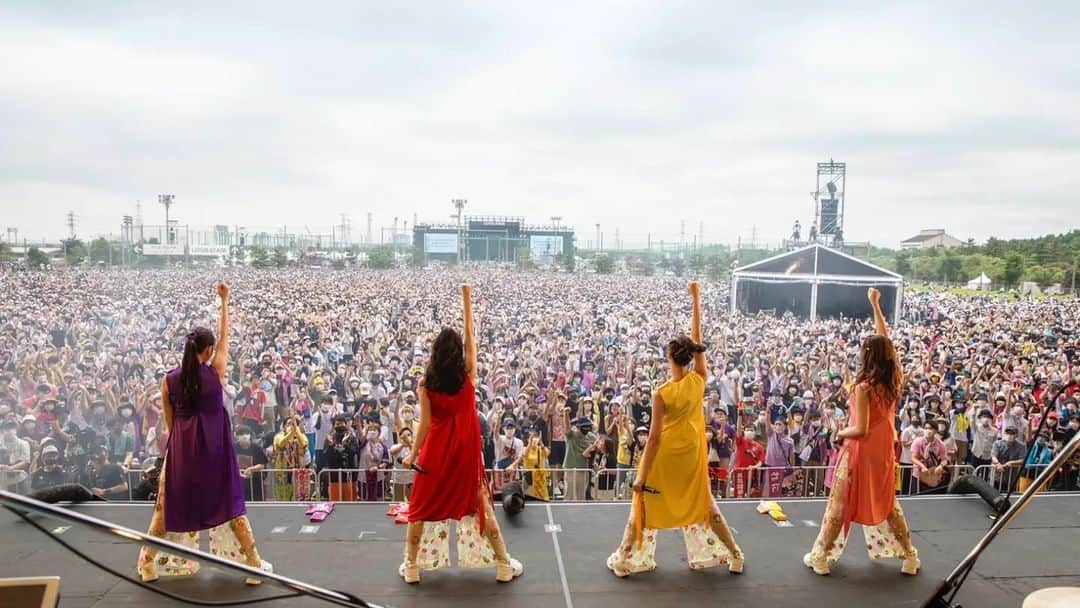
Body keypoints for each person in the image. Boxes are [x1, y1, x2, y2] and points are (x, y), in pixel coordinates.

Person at [607, 282, 744, 577]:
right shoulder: (699, 381)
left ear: (670, 356)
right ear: (689, 356)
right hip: (694, 454)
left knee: (642, 503)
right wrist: (696, 299)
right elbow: (699, 338)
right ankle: (735, 555)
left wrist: (641, 475)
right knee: (706, 504)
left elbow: (654, 438)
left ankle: (623, 560)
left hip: (666, 457)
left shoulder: (662, 393)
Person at [137, 283, 270, 585]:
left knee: (165, 513)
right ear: (207, 351)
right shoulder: (216, 372)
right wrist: (224, 301)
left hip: (183, 455)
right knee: (232, 508)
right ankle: (253, 565)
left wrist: (182, 450)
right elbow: (226, 338)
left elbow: (170, 425)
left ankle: (146, 564)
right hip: (215, 455)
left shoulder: (169, 381)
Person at [399, 284, 523, 584]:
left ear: (435, 352)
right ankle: (504, 564)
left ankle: (412, 567)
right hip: (466, 453)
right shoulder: (467, 372)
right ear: (458, 352)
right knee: (480, 505)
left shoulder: (426, 384)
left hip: (436, 453)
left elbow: (426, 424)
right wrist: (466, 299)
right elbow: (470, 334)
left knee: (419, 508)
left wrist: (412, 455)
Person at [804, 288, 920, 577]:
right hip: (882, 454)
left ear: (867, 357)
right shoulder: (894, 381)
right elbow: (887, 344)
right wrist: (875, 306)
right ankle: (910, 557)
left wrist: (840, 432)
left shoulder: (863, 388)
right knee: (889, 505)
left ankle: (820, 556)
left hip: (859, 453)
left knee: (839, 505)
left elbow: (861, 428)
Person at [272, 415, 310, 501]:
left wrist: (296, 432)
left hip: (298, 471)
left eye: (294, 424)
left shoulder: (302, 436)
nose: (292, 426)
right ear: (284, 426)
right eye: (289, 424)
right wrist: (291, 433)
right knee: (283, 499)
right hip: (283, 471)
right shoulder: (278, 436)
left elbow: (304, 444)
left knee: (299, 499)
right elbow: (281, 444)